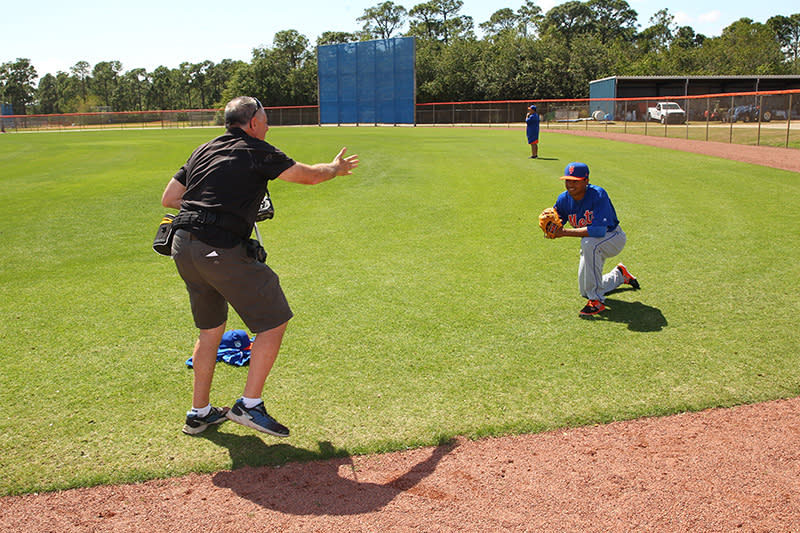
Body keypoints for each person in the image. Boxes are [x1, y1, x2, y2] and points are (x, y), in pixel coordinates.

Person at [161, 96, 359, 436]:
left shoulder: (204, 150)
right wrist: (335, 169)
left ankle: (199, 413)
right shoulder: (255, 148)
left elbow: (170, 198)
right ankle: (249, 406)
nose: (268, 126)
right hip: (218, 248)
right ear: (252, 122)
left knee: (210, 332)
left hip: (182, 246)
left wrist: (230, 206)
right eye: (265, 119)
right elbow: (307, 176)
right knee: (273, 320)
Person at [544, 162, 640, 317]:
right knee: (585, 290)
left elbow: (599, 230)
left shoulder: (598, 194)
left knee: (588, 242)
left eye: (576, 180)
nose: (570, 184)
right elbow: (556, 220)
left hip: (612, 237)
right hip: (593, 243)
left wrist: (564, 232)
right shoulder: (563, 199)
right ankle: (620, 275)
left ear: (586, 181)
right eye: (568, 180)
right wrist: (551, 227)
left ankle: (596, 301)